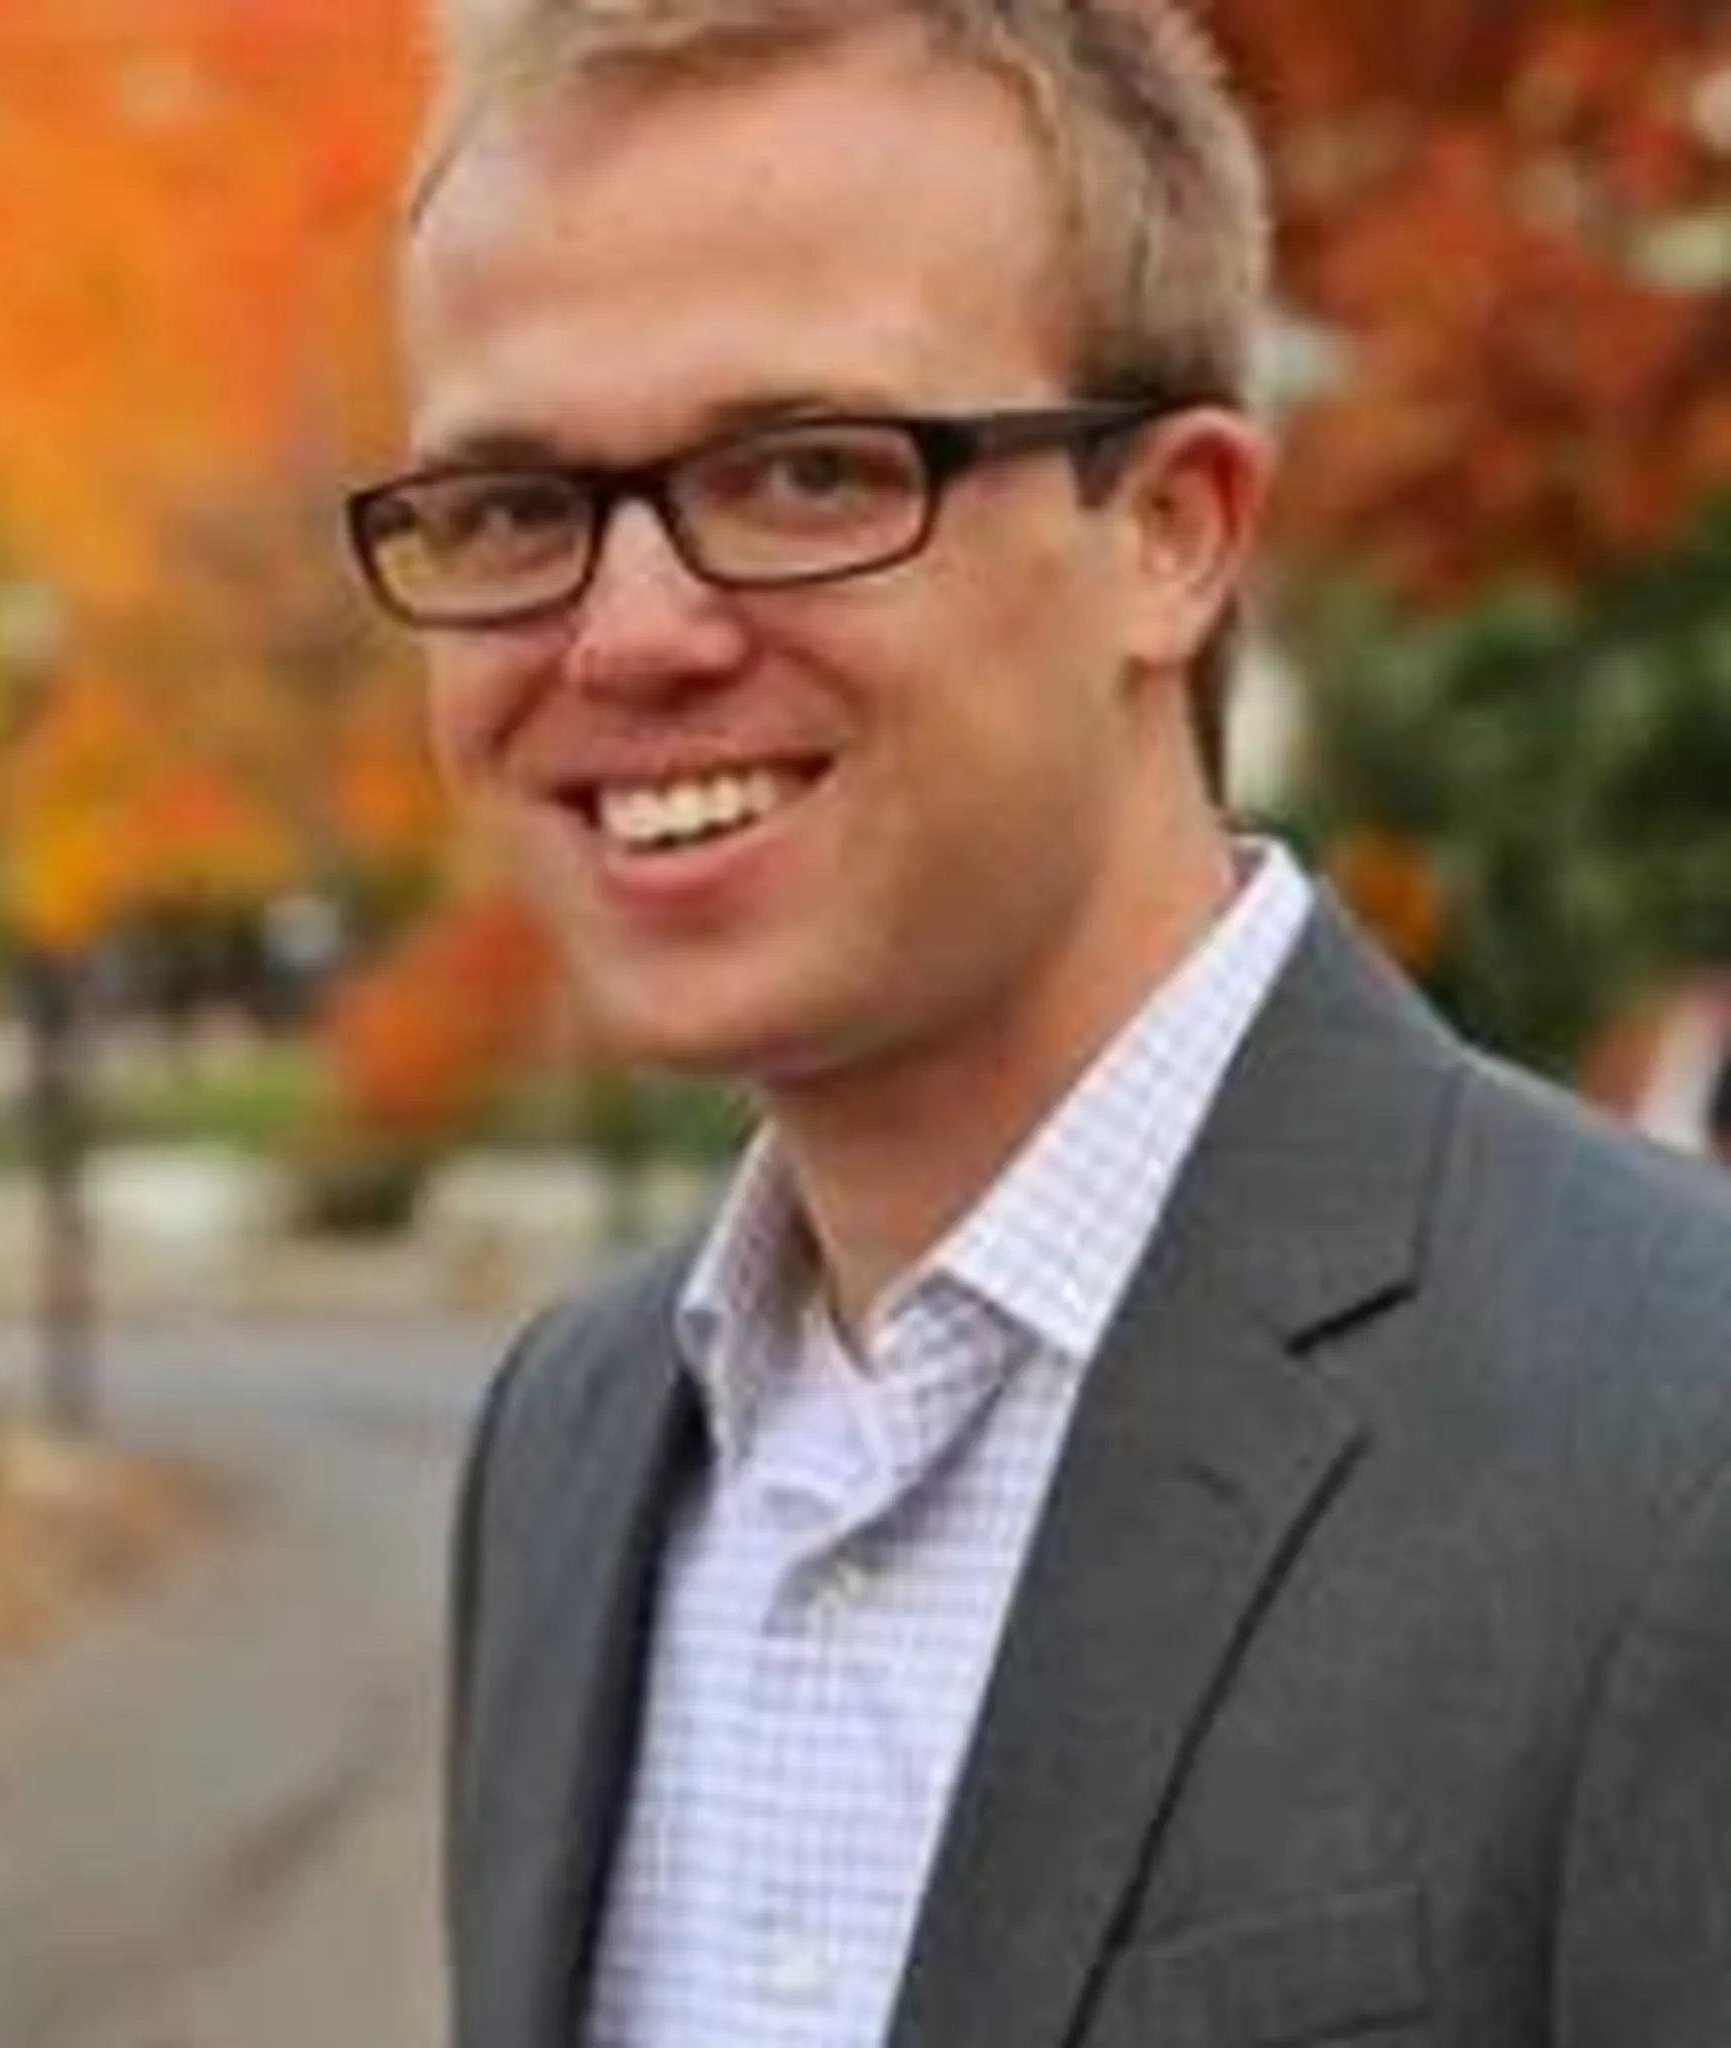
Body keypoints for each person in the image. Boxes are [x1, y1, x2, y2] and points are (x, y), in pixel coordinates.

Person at [344, 2, 1731, 2042]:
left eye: (808, 469)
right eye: (510, 510)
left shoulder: (1668, 1440)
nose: (624, 633)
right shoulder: (566, 1438)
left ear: (1170, 533)